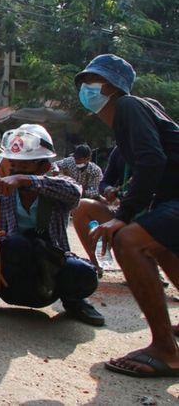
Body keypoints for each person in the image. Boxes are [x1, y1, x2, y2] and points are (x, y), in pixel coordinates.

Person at [78, 55, 179, 377]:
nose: (86, 88)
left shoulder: (129, 106)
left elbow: (152, 160)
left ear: (109, 87)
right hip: (169, 199)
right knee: (153, 241)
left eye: (93, 82)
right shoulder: (134, 114)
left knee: (129, 239)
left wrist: (123, 215)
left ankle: (166, 351)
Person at [0, 124, 104, 326]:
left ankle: (73, 301)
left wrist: (23, 180)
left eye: (24, 166)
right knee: (13, 244)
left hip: (51, 267)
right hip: (12, 272)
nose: (15, 170)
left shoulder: (57, 188)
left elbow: (74, 191)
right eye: (12, 164)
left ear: (43, 167)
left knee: (83, 273)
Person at [70, 147, 129, 271]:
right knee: (81, 206)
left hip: (149, 216)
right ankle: (96, 265)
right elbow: (104, 183)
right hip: (123, 213)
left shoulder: (156, 151)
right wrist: (108, 190)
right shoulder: (119, 151)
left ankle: (148, 266)